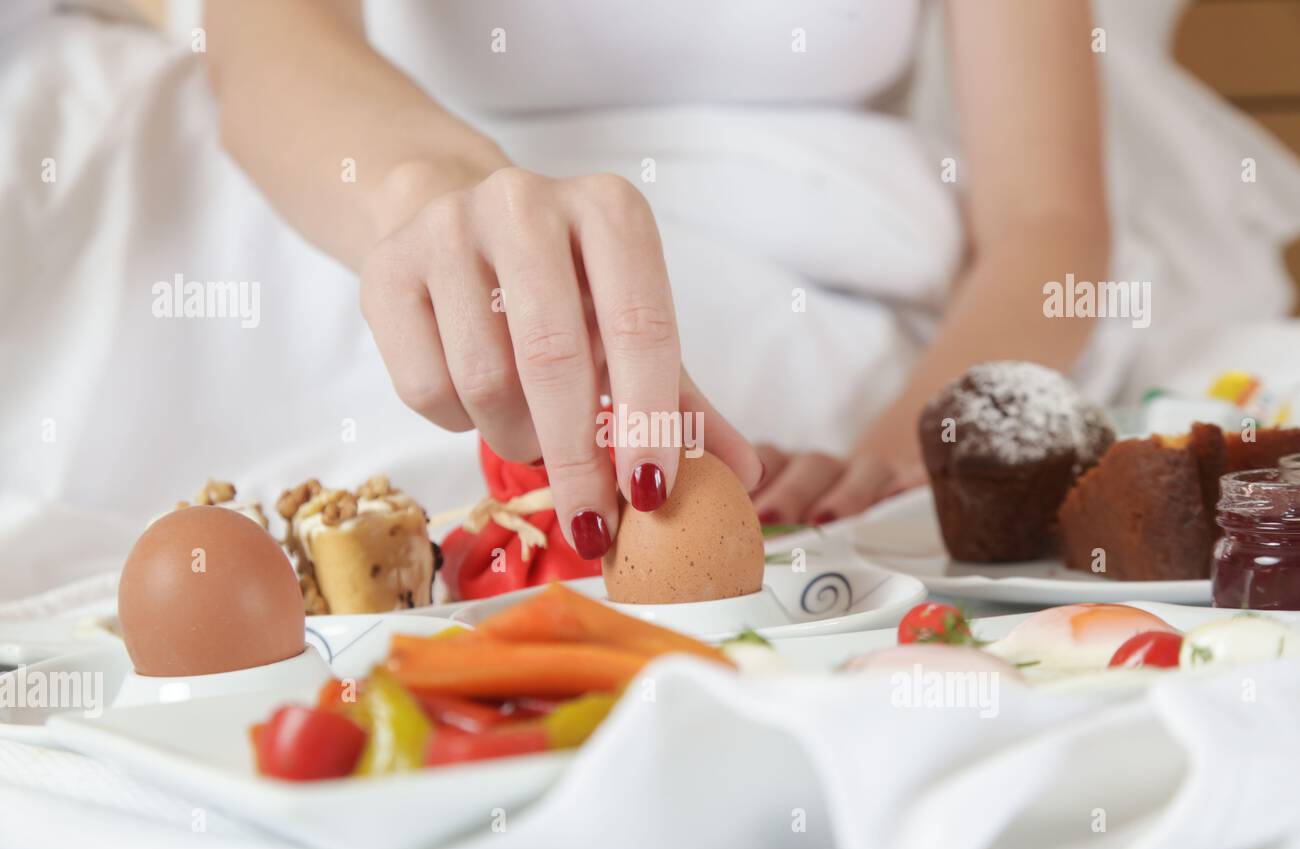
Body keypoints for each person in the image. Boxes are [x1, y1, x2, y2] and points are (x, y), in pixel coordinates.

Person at [204, 0, 1108, 561]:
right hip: (382, 222)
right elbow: (259, 52)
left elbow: (1047, 220)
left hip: (858, 310)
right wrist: (440, 204)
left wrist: (898, 454)